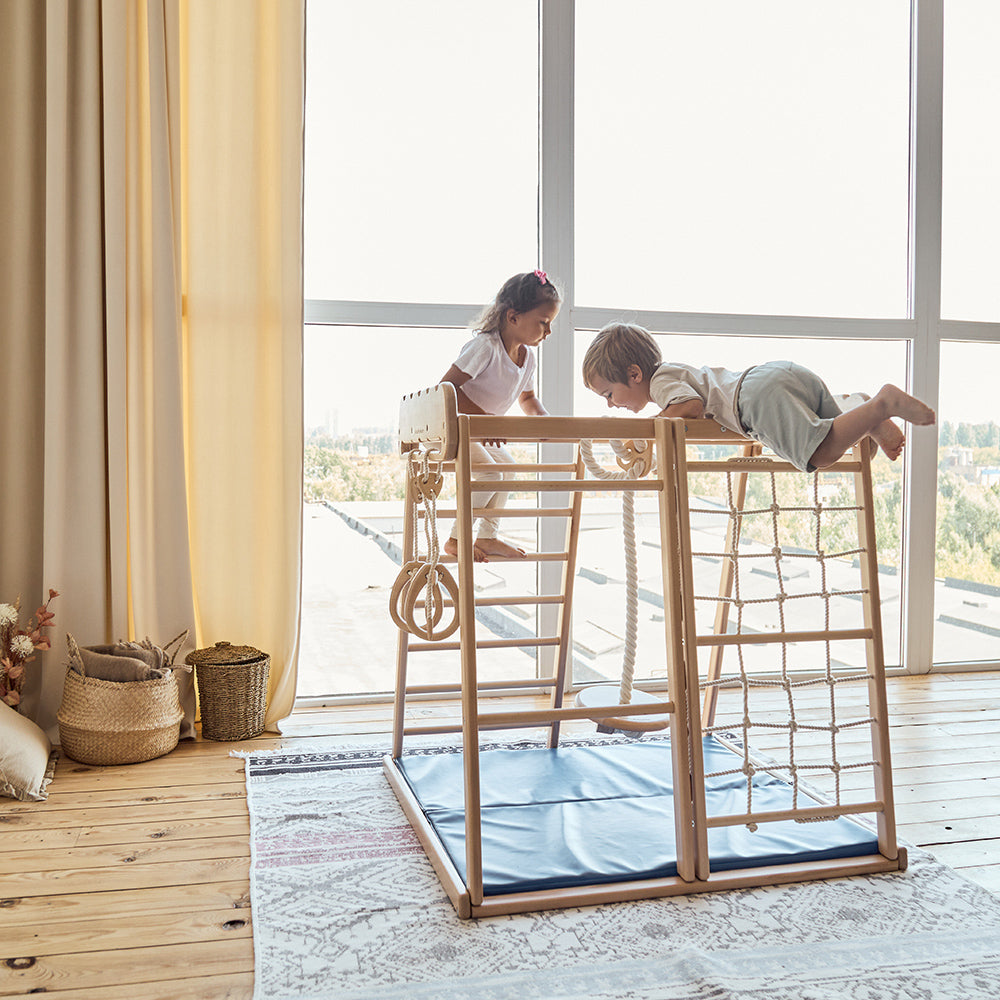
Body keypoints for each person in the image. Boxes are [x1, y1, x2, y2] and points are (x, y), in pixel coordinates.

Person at [581, 323, 935, 472]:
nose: (611, 404)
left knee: (821, 453)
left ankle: (880, 405)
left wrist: (649, 428)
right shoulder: (675, 371)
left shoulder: (661, 382)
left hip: (755, 398)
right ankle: (860, 408)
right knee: (832, 428)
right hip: (778, 373)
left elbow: (689, 407)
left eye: (609, 394)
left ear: (634, 374)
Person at [440, 270, 561, 561]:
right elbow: (447, 389)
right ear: (513, 317)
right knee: (491, 473)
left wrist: (540, 419)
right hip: (456, 430)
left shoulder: (528, 358)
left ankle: (488, 535)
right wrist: (484, 421)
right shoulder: (486, 347)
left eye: (551, 323)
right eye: (543, 322)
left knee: (507, 470)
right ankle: (456, 539)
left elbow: (528, 398)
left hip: (480, 434)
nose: (548, 331)